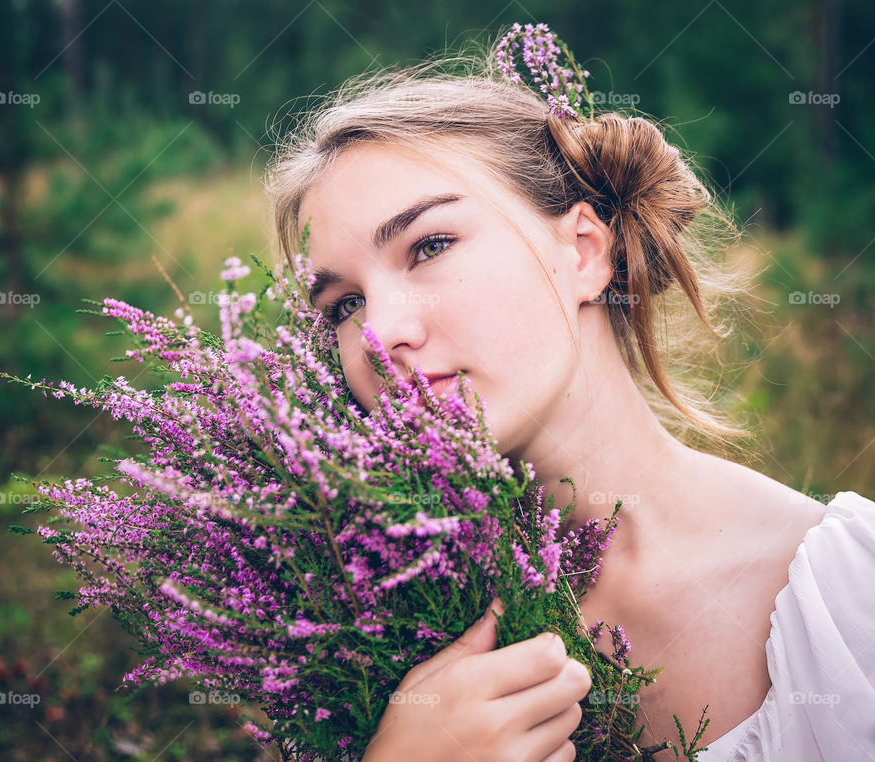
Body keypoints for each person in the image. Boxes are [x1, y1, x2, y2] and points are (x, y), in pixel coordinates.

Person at [262, 30, 875, 762]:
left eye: (429, 246)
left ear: (585, 251)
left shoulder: (848, 596)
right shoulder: (355, 623)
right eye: (342, 305)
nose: (378, 333)